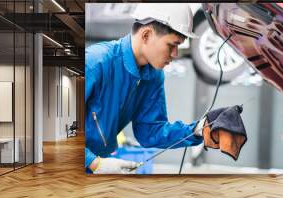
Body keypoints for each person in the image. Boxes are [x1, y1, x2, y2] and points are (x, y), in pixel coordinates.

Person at [85, 3, 204, 174]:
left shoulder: (153, 75)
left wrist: (195, 131)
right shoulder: (96, 63)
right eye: (172, 45)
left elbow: (150, 131)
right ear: (146, 35)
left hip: (99, 165)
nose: (175, 54)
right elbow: (64, 132)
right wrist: (93, 163)